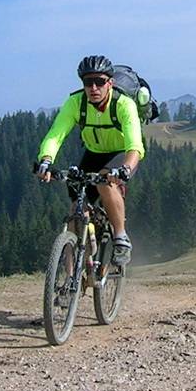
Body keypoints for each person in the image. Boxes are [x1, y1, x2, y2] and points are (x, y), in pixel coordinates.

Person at [35, 55, 145, 265]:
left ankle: (121, 237)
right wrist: (46, 160)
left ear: (110, 83)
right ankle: (68, 284)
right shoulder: (75, 103)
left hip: (121, 153)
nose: (93, 87)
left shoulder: (124, 104)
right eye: (88, 82)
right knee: (76, 210)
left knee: (105, 183)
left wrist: (125, 169)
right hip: (93, 153)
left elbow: (135, 147)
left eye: (100, 82)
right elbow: (55, 135)